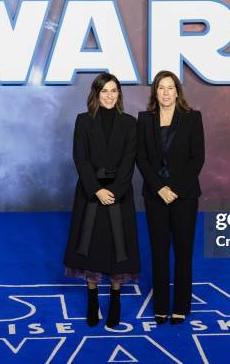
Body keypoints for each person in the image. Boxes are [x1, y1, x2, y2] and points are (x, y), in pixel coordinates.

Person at [63, 73, 140, 328]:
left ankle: (115, 298)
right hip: (91, 192)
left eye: (114, 91)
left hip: (119, 193)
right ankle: (92, 299)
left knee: (119, 249)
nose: (109, 96)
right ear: (96, 94)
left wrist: (115, 191)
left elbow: (130, 162)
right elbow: (80, 158)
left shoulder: (129, 123)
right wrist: (96, 190)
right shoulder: (83, 121)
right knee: (91, 247)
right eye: (104, 91)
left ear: (119, 94)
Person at [137, 70, 205, 325]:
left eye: (170, 87)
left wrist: (174, 188)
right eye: (161, 88)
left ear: (178, 91)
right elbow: (140, 158)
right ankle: (162, 305)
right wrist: (160, 189)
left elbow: (197, 158)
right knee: (159, 252)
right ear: (155, 92)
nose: (166, 93)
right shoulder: (144, 120)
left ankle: (181, 305)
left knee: (183, 252)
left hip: (184, 196)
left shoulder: (192, 118)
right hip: (155, 196)